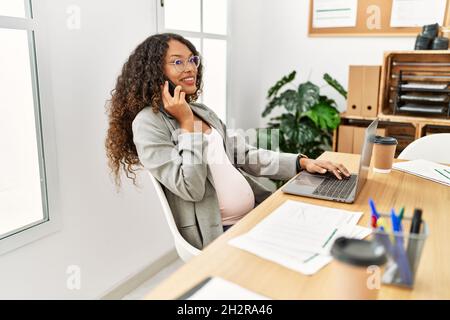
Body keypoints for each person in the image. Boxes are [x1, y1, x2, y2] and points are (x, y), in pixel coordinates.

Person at [105, 33, 350, 250]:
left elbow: (245, 156)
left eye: (192, 59)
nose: (190, 68)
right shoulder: (148, 123)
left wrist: (302, 163)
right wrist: (187, 126)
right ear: (154, 71)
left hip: (255, 213)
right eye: (177, 62)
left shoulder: (201, 111)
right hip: (218, 233)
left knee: (326, 231)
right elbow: (191, 187)